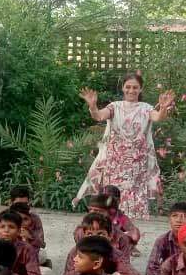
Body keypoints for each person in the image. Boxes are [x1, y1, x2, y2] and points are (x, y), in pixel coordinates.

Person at [74, 72, 175, 220]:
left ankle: (127, 235)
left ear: (140, 89)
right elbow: (98, 116)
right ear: (122, 88)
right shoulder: (114, 107)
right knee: (111, 201)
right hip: (115, 162)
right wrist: (93, 105)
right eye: (128, 87)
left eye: (135, 87)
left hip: (136, 164)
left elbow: (158, 117)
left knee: (132, 206)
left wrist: (163, 108)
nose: (131, 90)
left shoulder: (146, 108)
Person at [146, 202, 186, 275]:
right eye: (174, 216)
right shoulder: (162, 240)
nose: (179, 220)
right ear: (169, 219)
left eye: (184, 216)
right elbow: (151, 267)